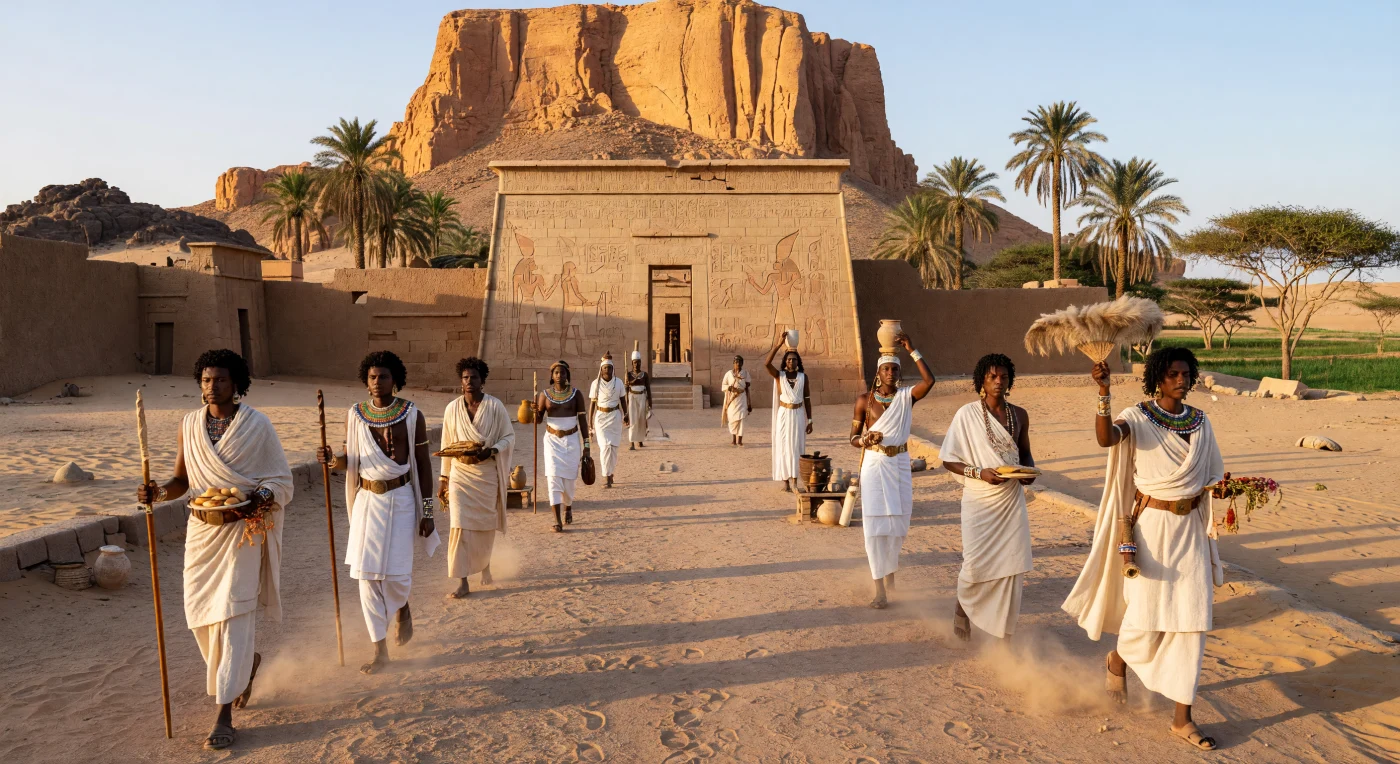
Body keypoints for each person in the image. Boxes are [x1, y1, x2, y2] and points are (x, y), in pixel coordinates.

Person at [1062, 348, 1224, 751]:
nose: (1181, 380)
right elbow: (1106, 439)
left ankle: (1182, 719)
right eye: (1173, 373)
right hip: (1151, 531)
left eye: (1186, 373)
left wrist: (1226, 487)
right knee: (1144, 619)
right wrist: (1104, 392)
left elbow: (1211, 474)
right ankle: (1118, 659)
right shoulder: (1137, 416)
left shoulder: (1201, 421)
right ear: (1157, 377)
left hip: (1191, 532)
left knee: (1191, 623)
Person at [137, 349, 292, 751]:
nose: (212, 387)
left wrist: (261, 496)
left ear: (236, 383)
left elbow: (280, 478)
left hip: (242, 531)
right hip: (202, 534)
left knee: (235, 615)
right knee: (200, 617)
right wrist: (156, 491)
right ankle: (244, 668)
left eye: (220, 380)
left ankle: (223, 713)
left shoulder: (258, 425)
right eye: (206, 380)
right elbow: (181, 481)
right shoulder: (188, 424)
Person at [318, 351, 439, 674]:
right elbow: (349, 460)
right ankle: (380, 650)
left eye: (383, 377)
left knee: (397, 576)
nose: (376, 383)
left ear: (394, 380)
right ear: (365, 379)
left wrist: (428, 512)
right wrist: (332, 460)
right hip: (367, 501)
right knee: (367, 576)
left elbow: (424, 465)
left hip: (401, 498)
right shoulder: (355, 415)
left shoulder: (413, 415)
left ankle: (401, 605)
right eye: (372, 377)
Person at [939, 354, 1036, 638]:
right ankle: (962, 609)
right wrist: (979, 473)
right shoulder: (966, 414)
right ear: (982, 380)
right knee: (975, 564)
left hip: (1010, 500)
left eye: (1003, 377)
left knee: (1010, 564)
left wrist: (1028, 471)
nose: (998, 381)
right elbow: (948, 459)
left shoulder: (1019, 414)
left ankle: (1003, 632)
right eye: (992, 376)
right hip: (979, 500)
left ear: (1010, 381)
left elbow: (1024, 451)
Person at [849, 333, 934, 608]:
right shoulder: (864, 400)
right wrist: (864, 440)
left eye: (894, 369)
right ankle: (880, 590)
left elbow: (929, 381)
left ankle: (891, 575)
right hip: (874, 465)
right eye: (885, 368)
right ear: (878, 372)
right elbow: (851, 438)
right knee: (875, 526)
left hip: (899, 464)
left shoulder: (906, 397)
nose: (890, 373)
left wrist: (912, 349)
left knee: (898, 525)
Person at [437, 357, 514, 600]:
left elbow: (509, 437)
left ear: (483, 381)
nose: (469, 382)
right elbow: (446, 445)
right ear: (461, 381)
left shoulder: (495, 407)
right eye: (465, 378)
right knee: (458, 525)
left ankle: (485, 567)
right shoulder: (452, 409)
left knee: (484, 526)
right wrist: (443, 478)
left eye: (474, 378)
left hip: (486, 474)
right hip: (460, 474)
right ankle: (462, 581)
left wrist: (490, 451)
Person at [535, 360, 590, 532]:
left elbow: (582, 421)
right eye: (556, 373)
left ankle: (568, 505)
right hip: (551, 440)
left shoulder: (576, 394)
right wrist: (534, 411)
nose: (559, 376)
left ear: (568, 375)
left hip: (572, 440)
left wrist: (586, 445)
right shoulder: (544, 395)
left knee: (569, 481)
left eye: (563, 372)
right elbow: (537, 421)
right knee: (553, 478)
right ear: (551, 376)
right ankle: (557, 520)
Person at [765, 337, 813, 492]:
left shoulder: (803, 377)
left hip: (798, 414)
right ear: (785, 362)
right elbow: (766, 364)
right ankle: (785, 481)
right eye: (789, 360)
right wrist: (778, 345)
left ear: (798, 362)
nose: (791, 362)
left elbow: (807, 399)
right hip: (784, 415)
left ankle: (794, 481)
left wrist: (810, 420)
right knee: (784, 446)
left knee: (797, 446)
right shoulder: (780, 376)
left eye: (794, 359)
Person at [589, 352, 627, 489]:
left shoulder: (619, 382)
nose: (607, 370)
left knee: (613, 448)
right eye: (605, 368)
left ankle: (611, 473)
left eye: (609, 368)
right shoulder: (595, 384)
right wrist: (589, 422)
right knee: (605, 447)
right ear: (601, 369)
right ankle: (606, 476)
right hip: (601, 418)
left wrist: (626, 414)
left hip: (615, 417)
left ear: (612, 369)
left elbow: (623, 400)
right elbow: (592, 404)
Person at [721, 355, 753, 446]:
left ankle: (740, 440)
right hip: (732, 399)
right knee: (732, 419)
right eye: (736, 362)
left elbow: (747, 388)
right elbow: (723, 385)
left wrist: (749, 403)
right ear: (733, 363)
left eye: (739, 362)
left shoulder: (745, 374)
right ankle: (734, 439)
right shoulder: (728, 374)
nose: (738, 364)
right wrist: (730, 388)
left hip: (742, 399)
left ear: (742, 363)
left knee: (741, 419)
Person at [625, 351, 650, 450]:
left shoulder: (645, 375)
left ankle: (640, 440)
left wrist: (650, 402)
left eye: (638, 362)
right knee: (633, 420)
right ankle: (631, 442)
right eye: (635, 362)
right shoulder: (629, 375)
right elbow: (626, 390)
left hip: (642, 397)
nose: (636, 364)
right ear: (632, 363)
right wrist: (626, 402)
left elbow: (648, 388)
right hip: (632, 398)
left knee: (641, 419)